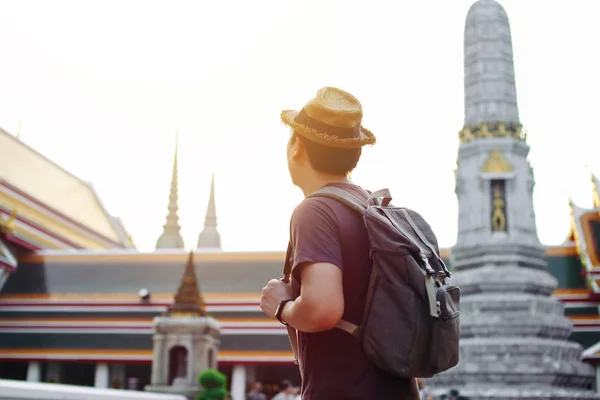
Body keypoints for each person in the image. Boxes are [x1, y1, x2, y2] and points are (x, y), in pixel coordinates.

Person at [260, 87, 419, 399]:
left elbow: (323, 310)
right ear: (355, 153)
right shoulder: (375, 208)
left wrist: (280, 306)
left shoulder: (315, 211)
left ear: (297, 147)